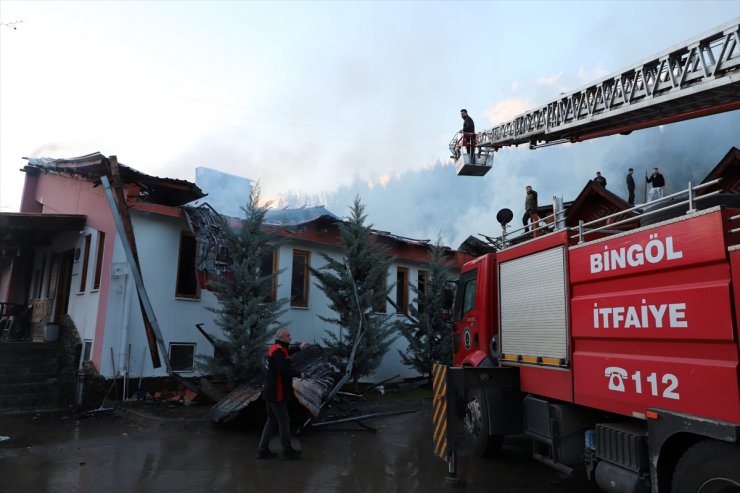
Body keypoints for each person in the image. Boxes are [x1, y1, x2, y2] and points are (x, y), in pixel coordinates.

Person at [257, 327, 310, 460]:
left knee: (271, 421)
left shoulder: (276, 348)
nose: (290, 337)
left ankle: (262, 451)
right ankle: (287, 451)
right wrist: (300, 373)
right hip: (277, 392)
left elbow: (286, 352)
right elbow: (284, 369)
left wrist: (299, 347)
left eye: (289, 335)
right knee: (284, 421)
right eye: (287, 336)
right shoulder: (278, 352)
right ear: (280, 337)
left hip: (270, 391)